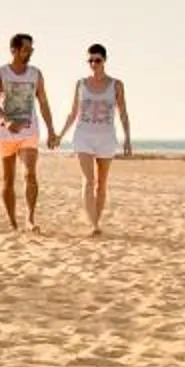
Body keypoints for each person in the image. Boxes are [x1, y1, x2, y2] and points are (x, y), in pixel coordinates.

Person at [56, 43, 133, 235]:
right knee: (88, 181)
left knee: (101, 183)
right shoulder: (81, 84)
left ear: (104, 61)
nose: (93, 64)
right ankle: (94, 225)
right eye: (90, 60)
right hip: (83, 137)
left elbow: (123, 113)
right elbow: (73, 113)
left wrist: (128, 138)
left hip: (106, 138)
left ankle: (95, 221)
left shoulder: (116, 85)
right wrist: (60, 135)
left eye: (97, 60)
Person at [0, 33, 55, 230]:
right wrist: (5, 120)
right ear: (14, 50)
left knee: (30, 174)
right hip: (7, 133)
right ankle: (12, 222)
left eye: (31, 49)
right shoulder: (0, 73)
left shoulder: (36, 74)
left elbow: (43, 102)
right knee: (8, 180)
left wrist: (51, 130)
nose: (30, 53)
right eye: (26, 49)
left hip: (29, 131)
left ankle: (30, 219)